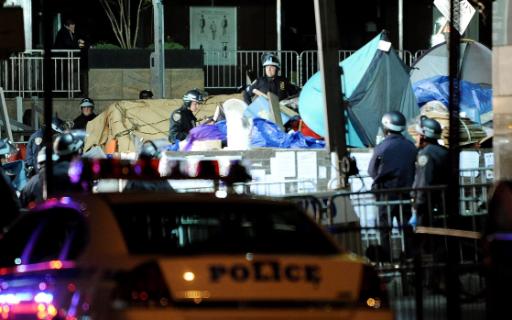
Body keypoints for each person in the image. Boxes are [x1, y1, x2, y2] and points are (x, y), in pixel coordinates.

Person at [367, 111, 417, 262]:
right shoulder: (410, 147)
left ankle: (386, 259)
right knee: (407, 227)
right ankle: (409, 257)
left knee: (384, 229)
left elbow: (371, 170)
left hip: (386, 194)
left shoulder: (382, 147)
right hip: (406, 194)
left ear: (386, 128)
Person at [411, 116, 449, 227]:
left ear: (423, 137)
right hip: (443, 203)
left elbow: (424, 181)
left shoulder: (426, 154)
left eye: (418, 135)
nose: (416, 138)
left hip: (427, 206)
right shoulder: (444, 151)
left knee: (425, 239)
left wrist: (418, 204)